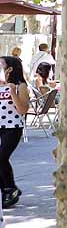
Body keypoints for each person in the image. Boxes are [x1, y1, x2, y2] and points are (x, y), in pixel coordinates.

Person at [0, 56, 30, 209]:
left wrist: (12, 92)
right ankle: (5, 189)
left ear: (10, 69)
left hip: (12, 127)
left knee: (1, 156)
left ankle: (10, 188)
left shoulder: (20, 86)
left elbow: (23, 109)